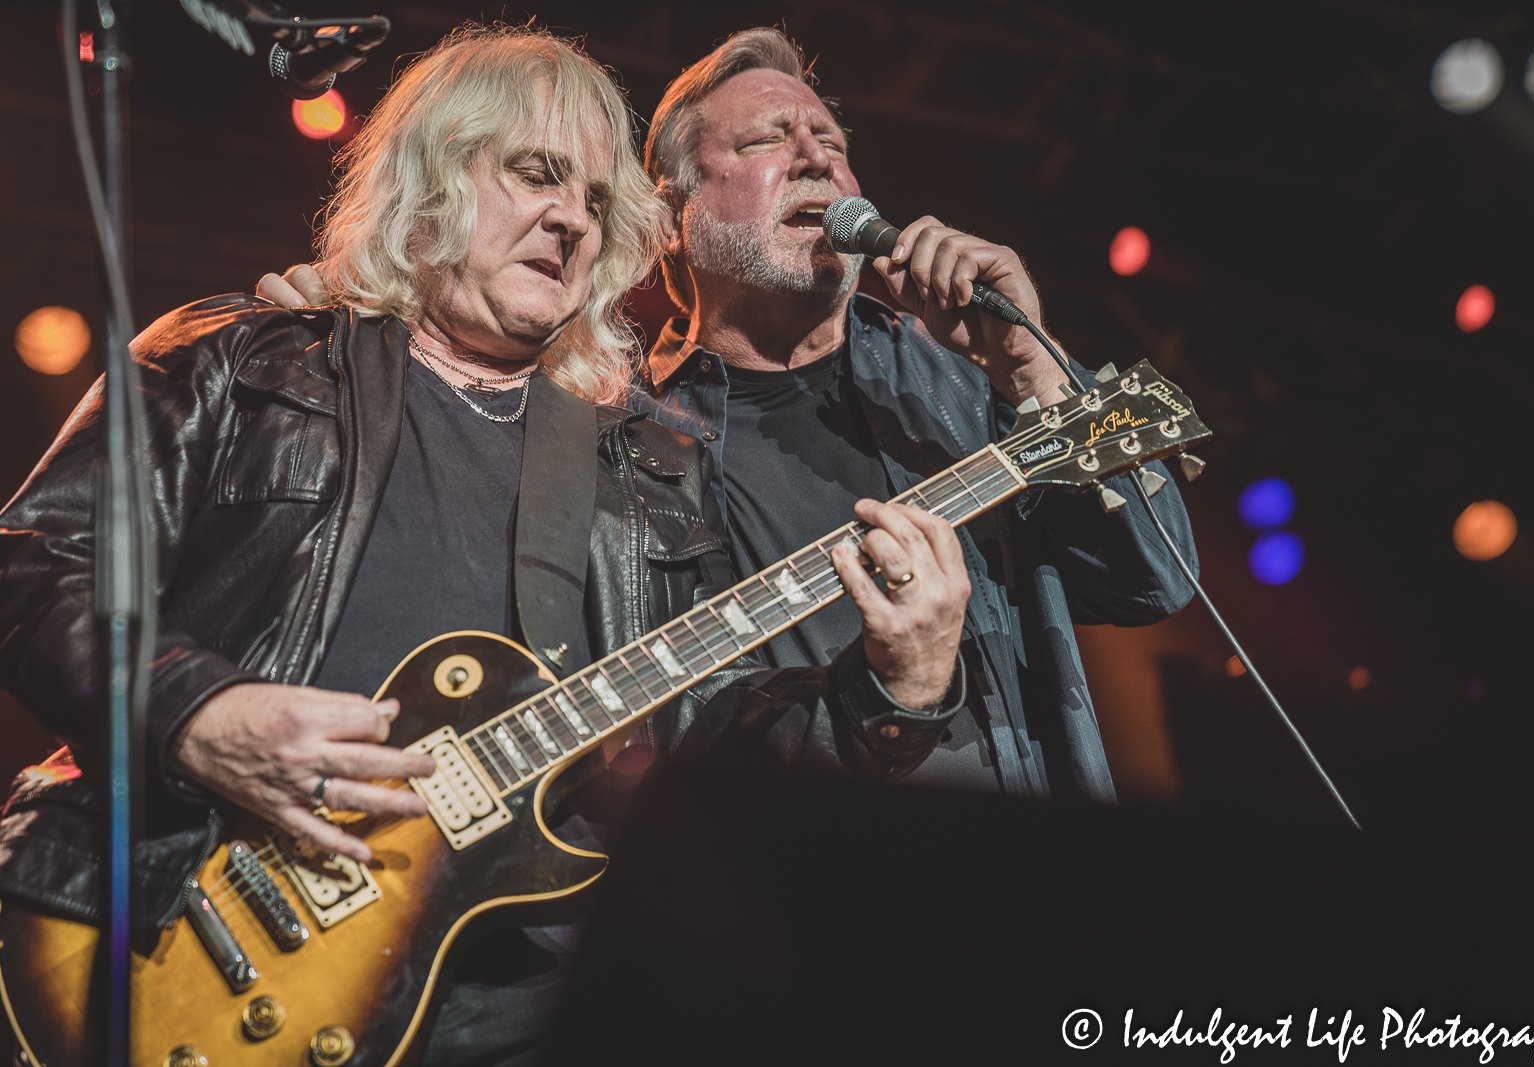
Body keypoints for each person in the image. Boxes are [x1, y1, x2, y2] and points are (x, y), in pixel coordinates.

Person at [0, 25, 970, 1067]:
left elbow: (704, 747)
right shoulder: (243, 357)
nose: (569, 217)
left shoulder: (644, 463)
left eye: (597, 200)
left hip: (518, 1010)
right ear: (428, 179)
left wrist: (894, 691)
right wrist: (199, 712)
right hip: (178, 932)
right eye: (534, 173)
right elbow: (30, 566)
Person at [262, 28, 1201, 803]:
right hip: (784, 916)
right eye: (766, 144)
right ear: (670, 216)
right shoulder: (614, 436)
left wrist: (1031, 364)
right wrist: (362, 331)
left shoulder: (960, 380)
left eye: (830, 141)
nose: (817, 161)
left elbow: (1151, 581)